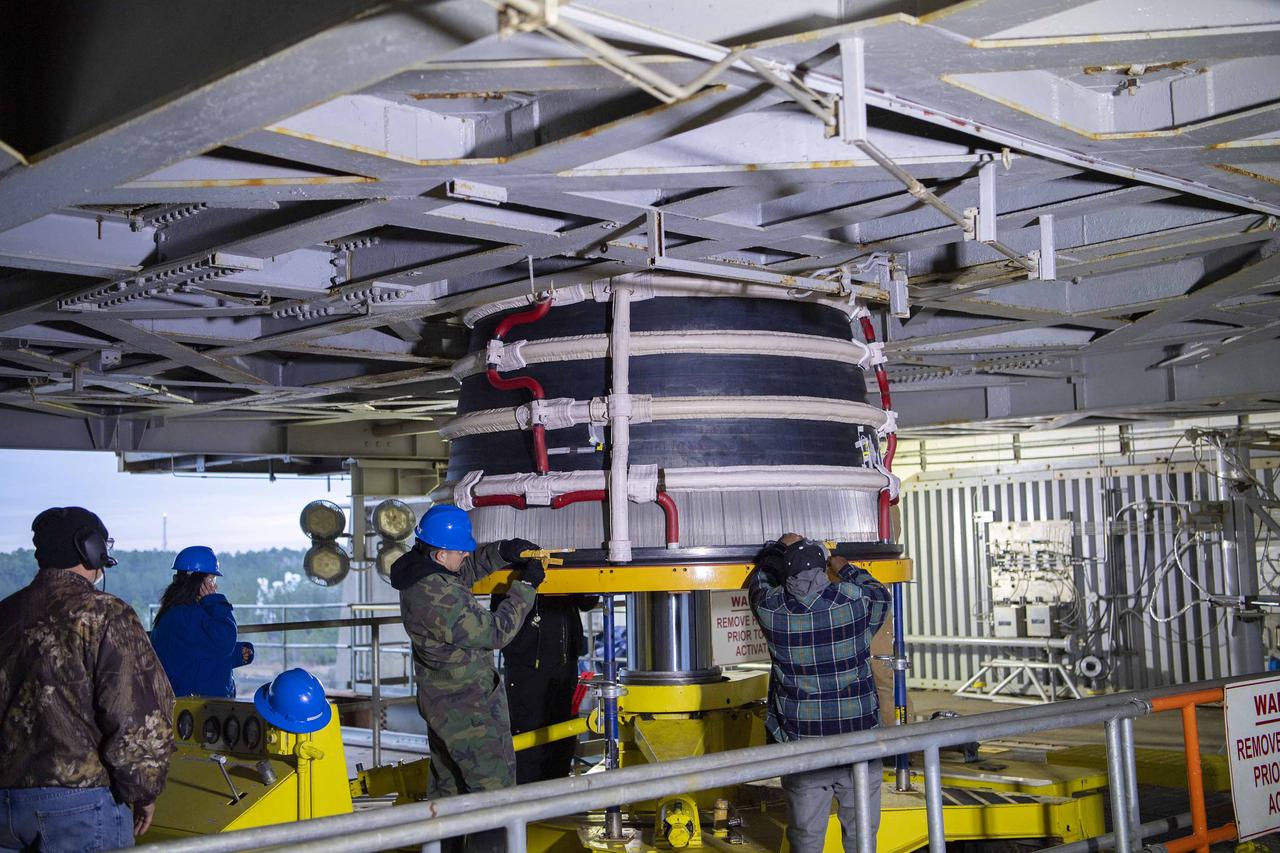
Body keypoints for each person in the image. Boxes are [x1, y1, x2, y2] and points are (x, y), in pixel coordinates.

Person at [0, 507, 176, 851]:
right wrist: (143, 791)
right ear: (91, 549)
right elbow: (137, 716)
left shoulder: (6, 613)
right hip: (78, 807)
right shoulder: (106, 614)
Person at [389, 505, 543, 809]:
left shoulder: (422, 573)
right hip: (467, 706)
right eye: (461, 550)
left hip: (443, 701)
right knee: (493, 793)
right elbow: (496, 632)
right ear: (439, 554)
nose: (466, 554)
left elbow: (462, 573)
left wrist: (501, 551)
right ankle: (493, 836)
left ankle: (450, 836)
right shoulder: (438, 596)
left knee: (450, 789)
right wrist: (525, 588)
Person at [750, 533, 891, 853]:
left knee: (806, 837)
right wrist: (845, 567)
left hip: (804, 745)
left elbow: (759, 582)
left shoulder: (772, 611)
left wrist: (777, 550)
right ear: (823, 568)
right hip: (858, 742)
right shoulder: (854, 602)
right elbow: (880, 594)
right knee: (862, 835)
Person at [490, 592, 598, 783]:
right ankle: (528, 796)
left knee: (563, 736)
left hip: (565, 663)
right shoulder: (511, 576)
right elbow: (500, 607)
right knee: (528, 739)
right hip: (527, 665)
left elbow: (587, 602)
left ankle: (558, 793)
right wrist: (530, 582)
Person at [150, 545, 255, 698]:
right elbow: (224, 640)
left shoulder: (179, 611)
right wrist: (215, 603)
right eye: (211, 579)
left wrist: (235, 655)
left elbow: (196, 655)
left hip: (192, 700)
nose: (215, 586)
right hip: (195, 706)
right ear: (197, 582)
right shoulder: (187, 615)